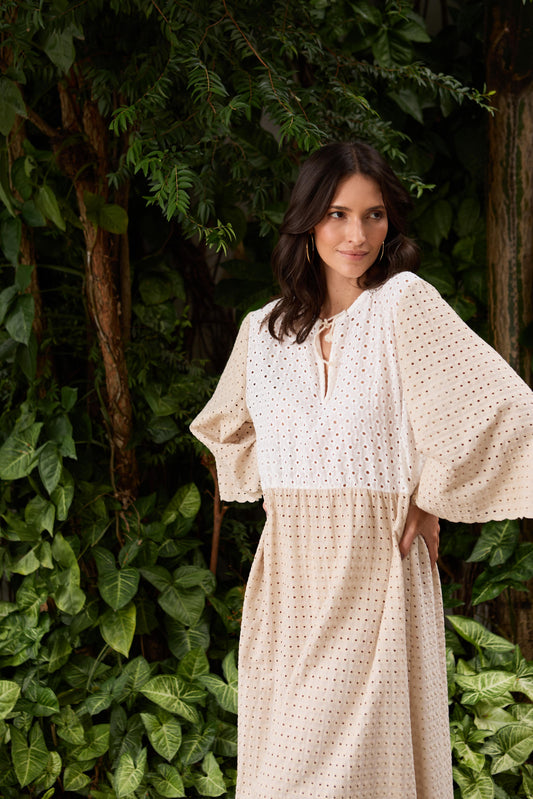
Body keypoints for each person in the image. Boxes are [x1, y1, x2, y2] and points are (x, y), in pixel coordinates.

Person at [190, 141, 533, 799]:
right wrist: (289, 488)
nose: (357, 235)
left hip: (375, 572)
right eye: (338, 214)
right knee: (280, 778)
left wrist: (427, 494)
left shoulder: (401, 303)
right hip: (290, 587)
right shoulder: (262, 332)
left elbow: (502, 406)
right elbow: (224, 426)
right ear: (306, 220)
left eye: (374, 215)